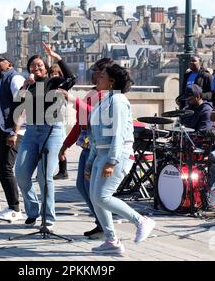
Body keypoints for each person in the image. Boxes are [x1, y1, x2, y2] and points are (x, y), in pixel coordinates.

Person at [84, 64, 156, 254]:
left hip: (117, 155)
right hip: (101, 155)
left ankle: (141, 220)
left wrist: (112, 160)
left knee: (102, 196)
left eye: (103, 75)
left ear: (112, 81)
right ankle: (111, 241)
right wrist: (90, 163)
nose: (98, 77)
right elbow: (95, 137)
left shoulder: (118, 101)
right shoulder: (104, 101)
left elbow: (118, 134)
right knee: (96, 198)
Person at [14, 41, 75, 230]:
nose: (37, 67)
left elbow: (72, 78)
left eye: (40, 64)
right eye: (33, 66)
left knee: (44, 177)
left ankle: (48, 218)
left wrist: (57, 58)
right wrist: (24, 85)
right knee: (21, 174)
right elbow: (17, 106)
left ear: (46, 67)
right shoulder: (29, 86)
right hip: (32, 131)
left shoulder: (55, 82)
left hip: (52, 130)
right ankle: (33, 211)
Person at [57, 58, 112, 239]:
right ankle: (100, 223)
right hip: (87, 147)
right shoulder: (91, 94)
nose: (93, 74)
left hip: (99, 149)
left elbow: (93, 114)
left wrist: (74, 100)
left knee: (95, 189)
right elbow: (80, 124)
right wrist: (65, 145)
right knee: (82, 186)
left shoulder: (110, 95)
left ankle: (105, 226)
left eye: (96, 71)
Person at [0, 53, 25, 222]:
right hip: (2, 128)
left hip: (13, 129)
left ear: (9, 64)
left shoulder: (14, 79)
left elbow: (23, 104)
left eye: (0, 60)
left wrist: (14, 132)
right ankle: (10, 206)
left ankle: (15, 208)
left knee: (6, 167)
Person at [49, 64, 69, 180]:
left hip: (59, 120)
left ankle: (63, 171)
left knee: (60, 147)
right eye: (51, 74)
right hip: (50, 120)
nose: (53, 76)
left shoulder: (62, 87)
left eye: (55, 74)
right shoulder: (49, 86)